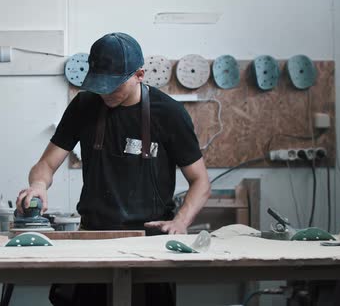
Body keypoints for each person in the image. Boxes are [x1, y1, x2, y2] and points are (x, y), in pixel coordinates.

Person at [17, 32, 211, 306]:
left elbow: (200, 181)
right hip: (93, 237)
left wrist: (180, 222)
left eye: (113, 86)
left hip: (148, 242)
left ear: (139, 74)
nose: (105, 93)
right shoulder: (84, 105)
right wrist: (38, 184)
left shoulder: (168, 113)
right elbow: (47, 164)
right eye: (99, 85)